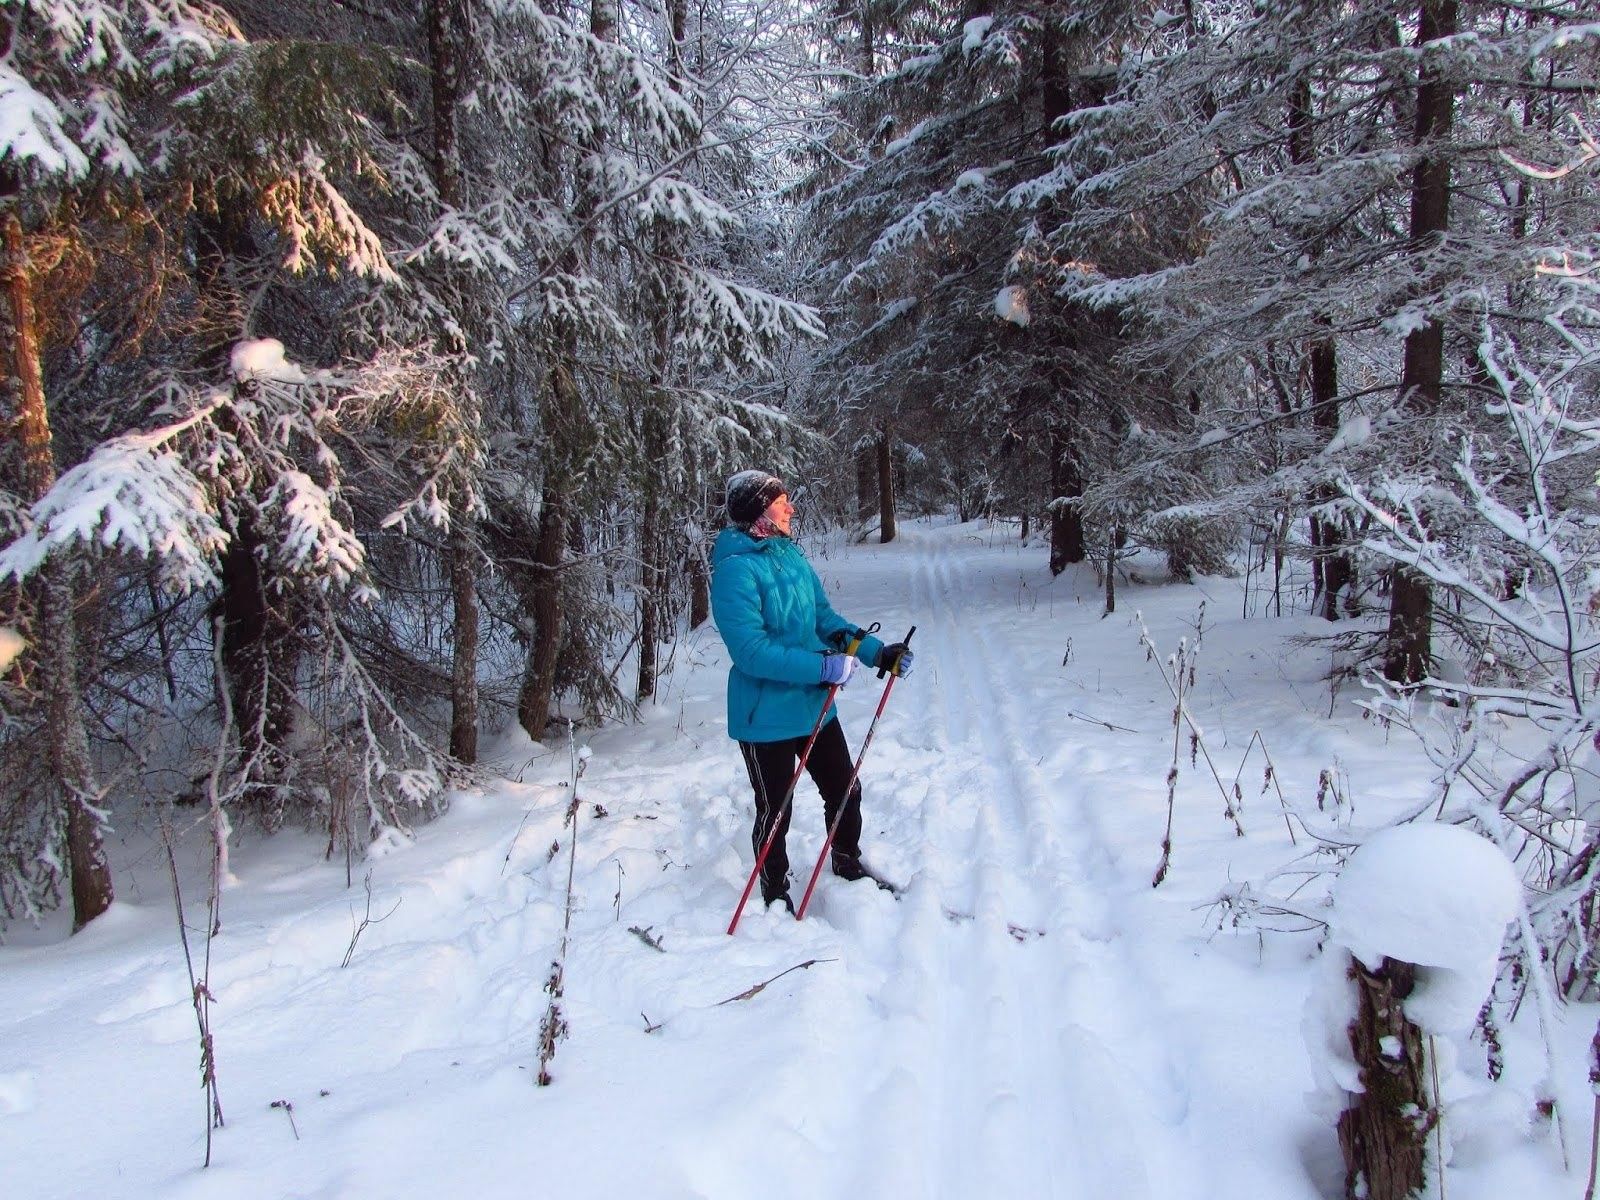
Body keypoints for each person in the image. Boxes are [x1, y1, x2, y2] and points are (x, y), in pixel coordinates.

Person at [709, 470, 915, 913]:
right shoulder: (733, 572)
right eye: (783, 501)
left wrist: (877, 653)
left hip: (814, 706)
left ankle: (846, 860)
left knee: (845, 789)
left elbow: (825, 620)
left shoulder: (791, 557)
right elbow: (751, 652)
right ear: (760, 510)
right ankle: (774, 889)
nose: (791, 508)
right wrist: (822, 667)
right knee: (775, 810)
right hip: (764, 716)